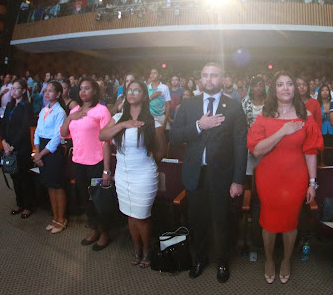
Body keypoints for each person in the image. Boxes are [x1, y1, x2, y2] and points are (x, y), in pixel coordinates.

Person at [170, 62, 248, 283]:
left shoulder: (233, 107)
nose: (209, 79)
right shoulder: (188, 104)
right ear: (200, 79)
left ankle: (222, 261)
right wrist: (199, 125)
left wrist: (238, 180)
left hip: (222, 175)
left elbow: (240, 145)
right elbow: (174, 137)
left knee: (222, 220)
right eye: (205, 75)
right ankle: (199, 259)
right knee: (197, 221)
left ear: (222, 79)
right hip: (195, 174)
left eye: (214, 75)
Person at [247, 71, 323, 284]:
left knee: (290, 222)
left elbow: (310, 151)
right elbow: (257, 150)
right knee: (269, 223)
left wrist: (312, 183)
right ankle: (270, 260)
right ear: (274, 89)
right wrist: (283, 131)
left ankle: (287, 260)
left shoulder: (306, 115)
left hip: (296, 178)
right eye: (280, 84)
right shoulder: (264, 116)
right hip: (269, 178)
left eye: (289, 83)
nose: (286, 88)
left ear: (295, 88)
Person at [99, 80, 167, 268]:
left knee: (142, 215)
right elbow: (102, 136)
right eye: (129, 90)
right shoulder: (118, 117)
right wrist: (124, 125)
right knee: (129, 213)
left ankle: (147, 250)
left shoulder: (153, 120)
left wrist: (147, 164)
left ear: (144, 96)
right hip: (122, 174)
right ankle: (137, 249)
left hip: (144, 174)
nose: (132, 93)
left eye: (137, 91)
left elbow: (162, 151)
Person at [60, 78, 113, 251]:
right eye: (81, 88)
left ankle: (105, 232)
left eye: (87, 88)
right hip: (78, 162)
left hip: (96, 163)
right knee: (85, 199)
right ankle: (94, 229)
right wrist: (70, 117)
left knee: (99, 200)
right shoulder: (75, 110)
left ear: (95, 91)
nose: (83, 92)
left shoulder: (101, 110)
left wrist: (106, 170)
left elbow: (106, 142)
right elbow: (63, 133)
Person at [32, 81, 68, 234]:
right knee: (49, 185)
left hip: (52, 151)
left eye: (51, 91)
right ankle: (55, 217)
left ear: (58, 94)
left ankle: (62, 219)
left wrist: (41, 154)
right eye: (46, 90)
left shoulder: (60, 112)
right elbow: (37, 132)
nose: (47, 93)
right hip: (42, 148)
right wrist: (37, 152)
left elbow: (57, 137)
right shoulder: (44, 110)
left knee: (57, 185)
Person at [0, 79, 34, 219]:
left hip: (21, 147)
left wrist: (13, 146)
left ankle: (28, 205)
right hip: (8, 145)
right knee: (14, 176)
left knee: (23, 177)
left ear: (24, 90)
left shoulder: (26, 106)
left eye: (17, 88)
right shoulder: (10, 105)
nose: (14, 91)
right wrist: (3, 141)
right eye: (12, 88)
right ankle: (19, 203)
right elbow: (3, 124)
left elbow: (24, 128)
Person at [242, 76, 267, 176]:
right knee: (251, 170)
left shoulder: (269, 102)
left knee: (264, 169)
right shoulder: (245, 102)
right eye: (255, 86)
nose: (258, 88)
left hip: (266, 137)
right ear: (251, 88)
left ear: (264, 87)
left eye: (260, 85)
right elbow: (242, 121)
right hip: (250, 136)